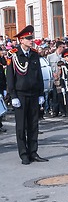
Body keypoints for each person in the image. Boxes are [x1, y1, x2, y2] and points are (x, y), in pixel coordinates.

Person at [5, 25, 48, 165]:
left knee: (33, 125)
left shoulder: (34, 54)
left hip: (34, 94)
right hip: (21, 95)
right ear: (21, 40)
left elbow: (39, 76)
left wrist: (41, 93)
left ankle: (33, 152)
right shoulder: (13, 54)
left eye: (32, 38)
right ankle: (24, 154)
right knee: (21, 126)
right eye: (29, 38)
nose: (31, 40)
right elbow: (10, 78)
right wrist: (13, 96)